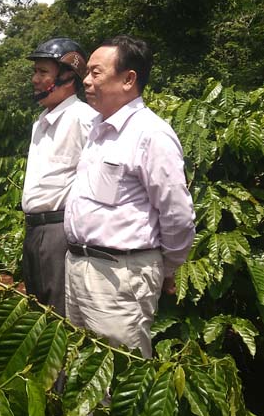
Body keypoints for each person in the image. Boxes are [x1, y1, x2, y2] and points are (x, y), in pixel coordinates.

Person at [64, 34, 196, 358]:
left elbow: (177, 214)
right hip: (79, 267)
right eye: (87, 72)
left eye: (96, 72)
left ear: (128, 79)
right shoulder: (98, 130)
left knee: (117, 374)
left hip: (119, 276)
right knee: (81, 367)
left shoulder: (151, 134)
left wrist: (166, 267)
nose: (86, 80)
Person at [21, 37, 95, 315]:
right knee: (36, 314)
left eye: (43, 72)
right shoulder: (40, 123)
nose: (35, 79)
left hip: (59, 231)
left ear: (68, 76)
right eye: (35, 71)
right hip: (34, 230)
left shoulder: (83, 118)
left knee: (59, 317)